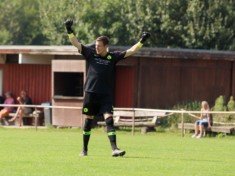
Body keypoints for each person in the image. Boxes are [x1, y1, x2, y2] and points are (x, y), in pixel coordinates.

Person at [64, 19, 151, 157]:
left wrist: (142, 40)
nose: (96, 47)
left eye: (99, 46)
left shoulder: (113, 57)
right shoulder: (90, 53)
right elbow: (76, 43)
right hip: (91, 93)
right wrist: (69, 29)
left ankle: (115, 149)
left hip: (105, 95)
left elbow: (131, 51)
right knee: (88, 122)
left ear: (105, 46)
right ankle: (84, 150)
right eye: (96, 45)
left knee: (109, 119)